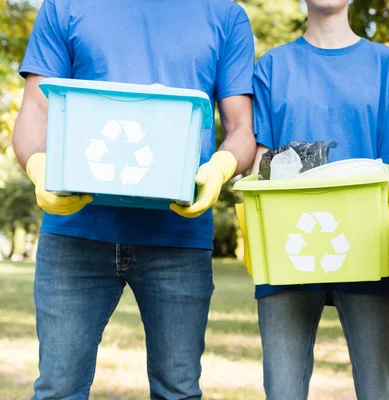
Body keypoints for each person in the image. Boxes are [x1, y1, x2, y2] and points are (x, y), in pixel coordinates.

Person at [12, 1, 256, 398]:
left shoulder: (224, 14)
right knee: (58, 390)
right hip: (76, 232)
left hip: (178, 236)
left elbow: (242, 126)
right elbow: (35, 111)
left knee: (178, 390)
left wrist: (221, 167)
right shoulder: (66, 5)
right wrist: (39, 167)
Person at [250, 1, 389, 398]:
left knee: (379, 390)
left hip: (368, 249)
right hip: (286, 250)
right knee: (283, 390)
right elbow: (262, 162)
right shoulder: (273, 67)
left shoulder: (387, 66)